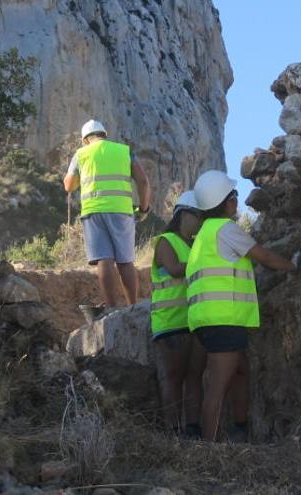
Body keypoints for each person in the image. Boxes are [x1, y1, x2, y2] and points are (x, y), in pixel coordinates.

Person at [186, 170, 301, 442]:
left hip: (208, 321)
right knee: (218, 386)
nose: (236, 201)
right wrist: (292, 265)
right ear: (226, 202)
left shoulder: (202, 236)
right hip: (223, 320)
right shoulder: (225, 229)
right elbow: (263, 256)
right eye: (234, 196)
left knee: (240, 371)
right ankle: (210, 451)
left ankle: (239, 430)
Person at [63, 119, 151, 317]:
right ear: (104, 134)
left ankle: (110, 309)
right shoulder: (124, 151)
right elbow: (143, 182)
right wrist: (143, 208)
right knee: (126, 261)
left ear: (85, 139)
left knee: (104, 260)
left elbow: (68, 186)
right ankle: (133, 306)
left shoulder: (81, 153)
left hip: (93, 212)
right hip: (121, 211)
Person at [151, 190, 206, 438]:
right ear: (185, 214)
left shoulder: (195, 244)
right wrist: (204, 263)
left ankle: (192, 429)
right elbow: (174, 269)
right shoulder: (165, 241)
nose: (202, 222)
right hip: (170, 323)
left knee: (194, 376)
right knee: (173, 378)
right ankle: (172, 431)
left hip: (194, 321)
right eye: (199, 216)